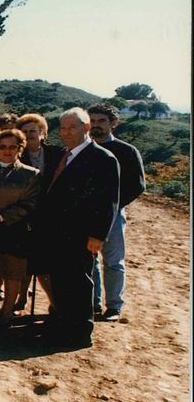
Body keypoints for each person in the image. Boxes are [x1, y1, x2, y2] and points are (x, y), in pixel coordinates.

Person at [41, 108, 119, 348]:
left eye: (71, 128)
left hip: (80, 234)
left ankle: (79, 333)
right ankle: (63, 324)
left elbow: (108, 201)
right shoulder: (62, 156)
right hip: (57, 233)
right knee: (60, 280)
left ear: (86, 128)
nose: (65, 133)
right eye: (62, 128)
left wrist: (98, 235)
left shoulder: (102, 159)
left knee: (78, 283)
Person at [87, 103, 145, 322]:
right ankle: (92, 304)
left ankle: (113, 307)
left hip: (114, 215)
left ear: (113, 123)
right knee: (89, 260)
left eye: (101, 121)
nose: (96, 126)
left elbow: (137, 185)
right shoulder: (84, 150)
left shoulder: (127, 151)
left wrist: (112, 206)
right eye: (92, 121)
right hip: (86, 216)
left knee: (113, 261)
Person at [0, 128, 40, 326]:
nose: (7, 151)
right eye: (3, 147)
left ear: (20, 148)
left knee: (12, 274)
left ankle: (7, 313)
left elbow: (29, 204)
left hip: (14, 231)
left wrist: (2, 217)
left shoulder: (31, 175)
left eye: (12, 147)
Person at [17, 112, 66, 312]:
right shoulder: (17, 156)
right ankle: (21, 299)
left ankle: (55, 304)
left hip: (51, 216)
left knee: (45, 265)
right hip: (25, 215)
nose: (29, 135)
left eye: (33, 131)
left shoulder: (58, 153)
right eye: (25, 131)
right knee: (24, 261)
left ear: (43, 133)